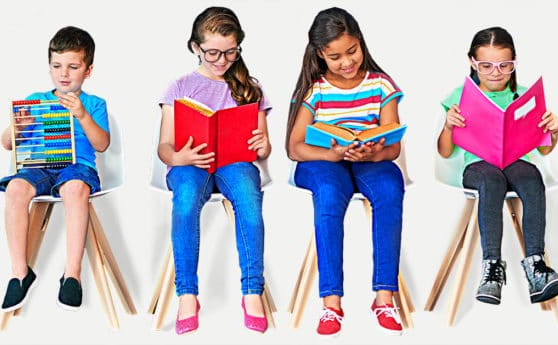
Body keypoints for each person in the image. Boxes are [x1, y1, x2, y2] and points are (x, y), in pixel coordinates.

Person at [286, 7, 405, 336]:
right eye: (335, 56)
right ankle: (331, 303)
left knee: (390, 190)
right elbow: (295, 147)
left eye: (352, 51)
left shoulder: (381, 85)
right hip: (325, 162)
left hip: (369, 160)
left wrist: (372, 150)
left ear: (361, 43)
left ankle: (384, 295)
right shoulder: (317, 89)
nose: (346, 62)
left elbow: (393, 146)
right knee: (328, 195)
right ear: (320, 54)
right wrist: (333, 153)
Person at [157, 6, 271, 334]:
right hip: (190, 164)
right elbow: (164, 148)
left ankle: (252, 291)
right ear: (195, 47)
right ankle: (187, 294)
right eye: (213, 53)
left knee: (250, 201)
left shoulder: (250, 86)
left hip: (235, 162)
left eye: (230, 52)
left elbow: (264, 146)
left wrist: (263, 145)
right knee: (185, 203)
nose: (222, 60)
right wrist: (181, 157)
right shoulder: (179, 86)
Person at [437, 26, 558, 306]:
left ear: (514, 62)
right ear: (472, 62)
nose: (495, 72)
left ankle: (536, 265)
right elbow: (445, 152)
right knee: (492, 181)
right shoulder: (459, 97)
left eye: (504, 65)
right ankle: (492, 270)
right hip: (479, 167)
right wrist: (448, 126)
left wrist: (553, 132)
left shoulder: (524, 97)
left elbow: (543, 149)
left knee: (532, 176)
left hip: (516, 161)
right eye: (486, 65)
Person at [0, 26, 110, 312]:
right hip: (39, 167)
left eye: (73, 67)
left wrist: (82, 115)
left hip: (77, 167)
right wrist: (17, 128)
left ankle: (72, 274)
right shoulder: (36, 99)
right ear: (49, 67)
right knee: (15, 188)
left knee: (74, 189)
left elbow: (102, 144)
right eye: (57, 66)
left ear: (88, 70)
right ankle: (19, 272)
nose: (64, 73)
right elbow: (6, 143)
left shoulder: (94, 104)